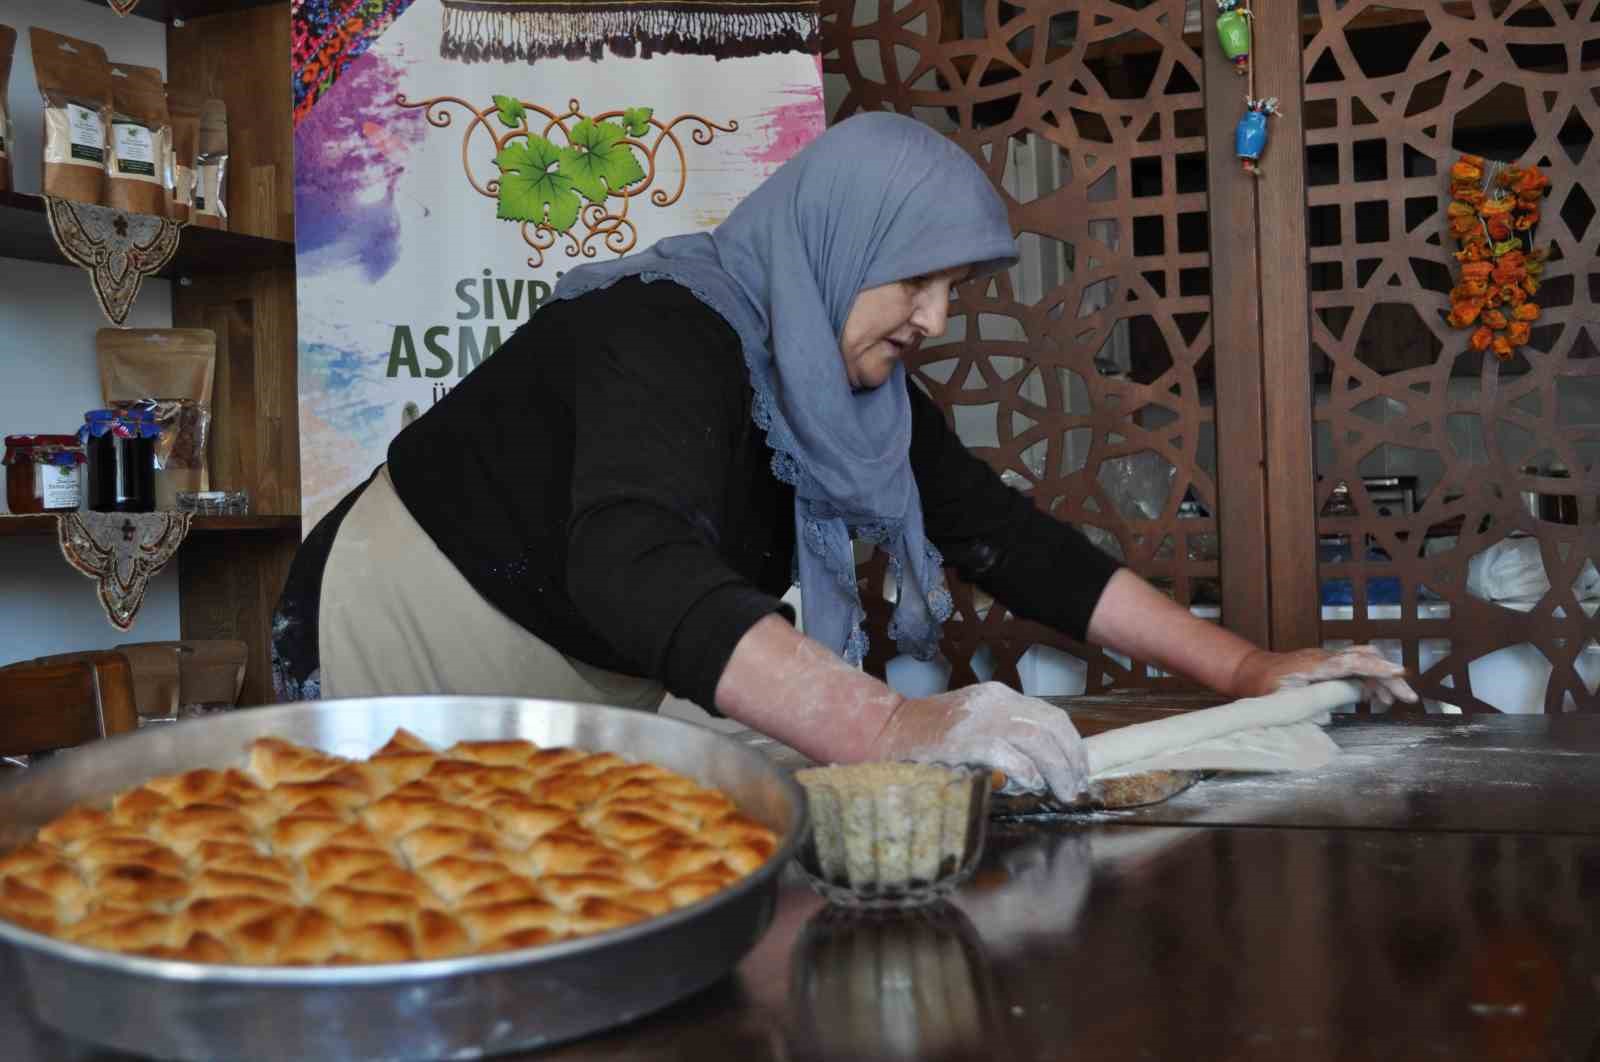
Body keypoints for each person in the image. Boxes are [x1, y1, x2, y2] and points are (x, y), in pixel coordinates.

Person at [271, 112, 1414, 804]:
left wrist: (1243, 670)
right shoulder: (657, 327)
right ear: (832, 244)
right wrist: (884, 726)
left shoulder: (854, 394)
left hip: (577, 675)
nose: (937, 319)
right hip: (401, 629)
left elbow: (1005, 538)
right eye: (913, 278)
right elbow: (629, 558)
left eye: (955, 288)